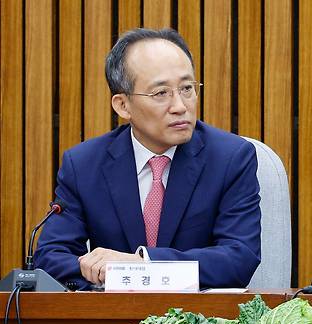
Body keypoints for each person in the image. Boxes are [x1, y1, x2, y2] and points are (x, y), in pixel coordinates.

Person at [34, 28, 261, 290]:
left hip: (200, 323)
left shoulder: (230, 158)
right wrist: (107, 273)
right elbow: (50, 259)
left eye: (187, 88)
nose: (180, 105)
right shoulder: (84, 165)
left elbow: (239, 258)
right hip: (112, 321)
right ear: (123, 105)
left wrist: (142, 263)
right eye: (161, 93)